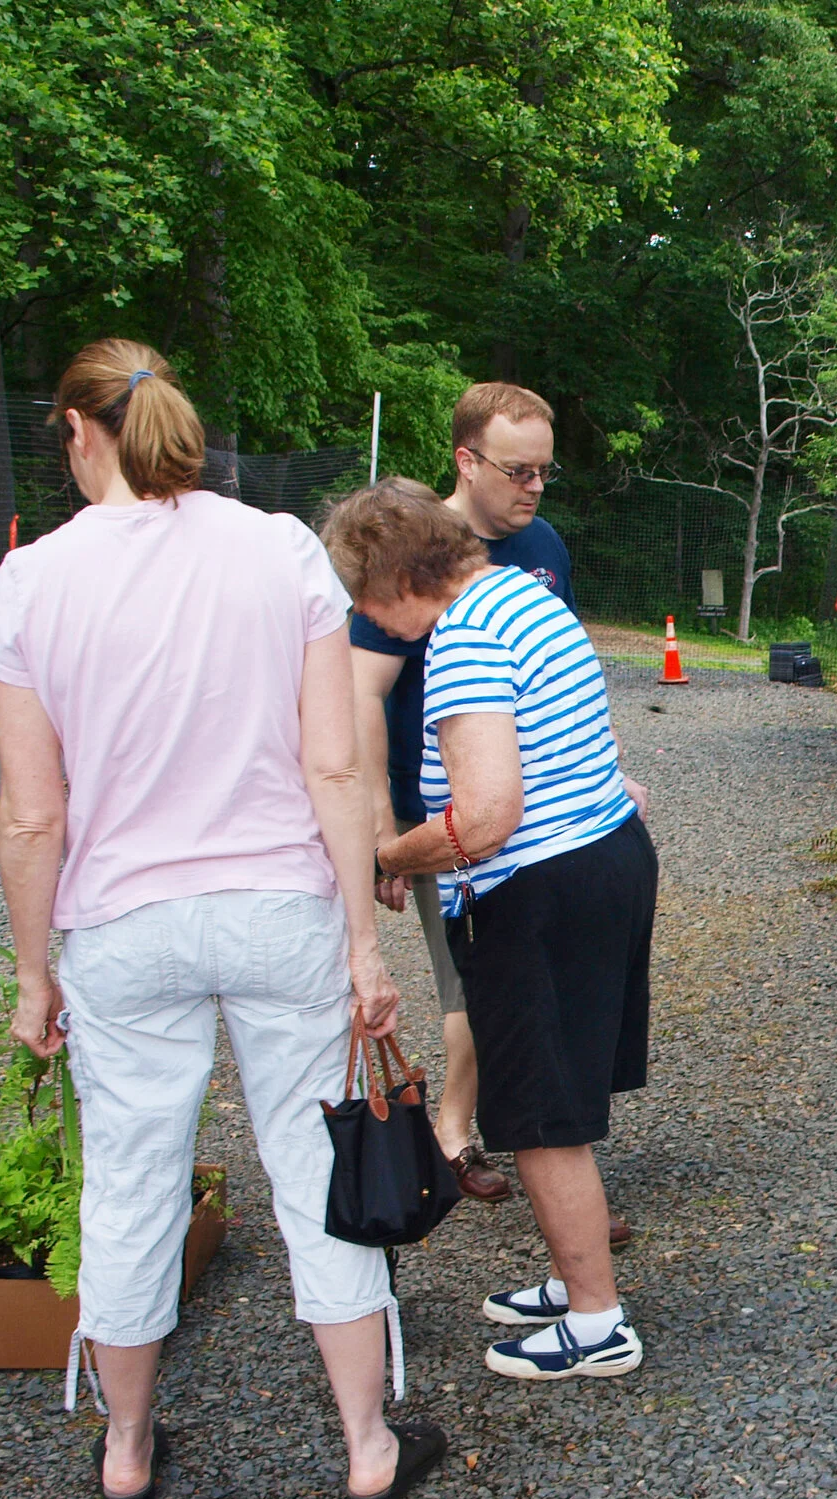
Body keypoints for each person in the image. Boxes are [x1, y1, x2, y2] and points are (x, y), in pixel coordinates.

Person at [0, 339, 444, 1499]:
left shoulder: (32, 582)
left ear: (81, 432)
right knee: (316, 1167)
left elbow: (33, 815)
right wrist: (360, 941)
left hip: (124, 927)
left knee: (130, 1185)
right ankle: (365, 1445)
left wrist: (35, 975)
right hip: (278, 909)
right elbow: (335, 765)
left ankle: (127, 1448)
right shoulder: (279, 547)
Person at [322, 478, 655, 1382]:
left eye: (366, 600)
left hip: (541, 890)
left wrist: (393, 855)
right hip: (601, 857)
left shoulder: (465, 636)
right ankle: (569, 1274)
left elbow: (488, 812)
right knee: (548, 1098)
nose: (370, 621)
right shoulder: (520, 595)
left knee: (543, 1117)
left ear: (396, 577)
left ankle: (597, 1320)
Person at [348, 382, 631, 1246]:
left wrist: (600, 776)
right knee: (473, 988)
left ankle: (541, 1193)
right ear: (465, 460)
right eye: (518, 469)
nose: (535, 486)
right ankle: (468, 1137)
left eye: (546, 470)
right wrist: (385, 834)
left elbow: (550, 695)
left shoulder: (534, 555)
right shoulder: (405, 548)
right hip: (442, 816)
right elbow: (363, 695)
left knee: (518, 1016)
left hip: (519, 833)